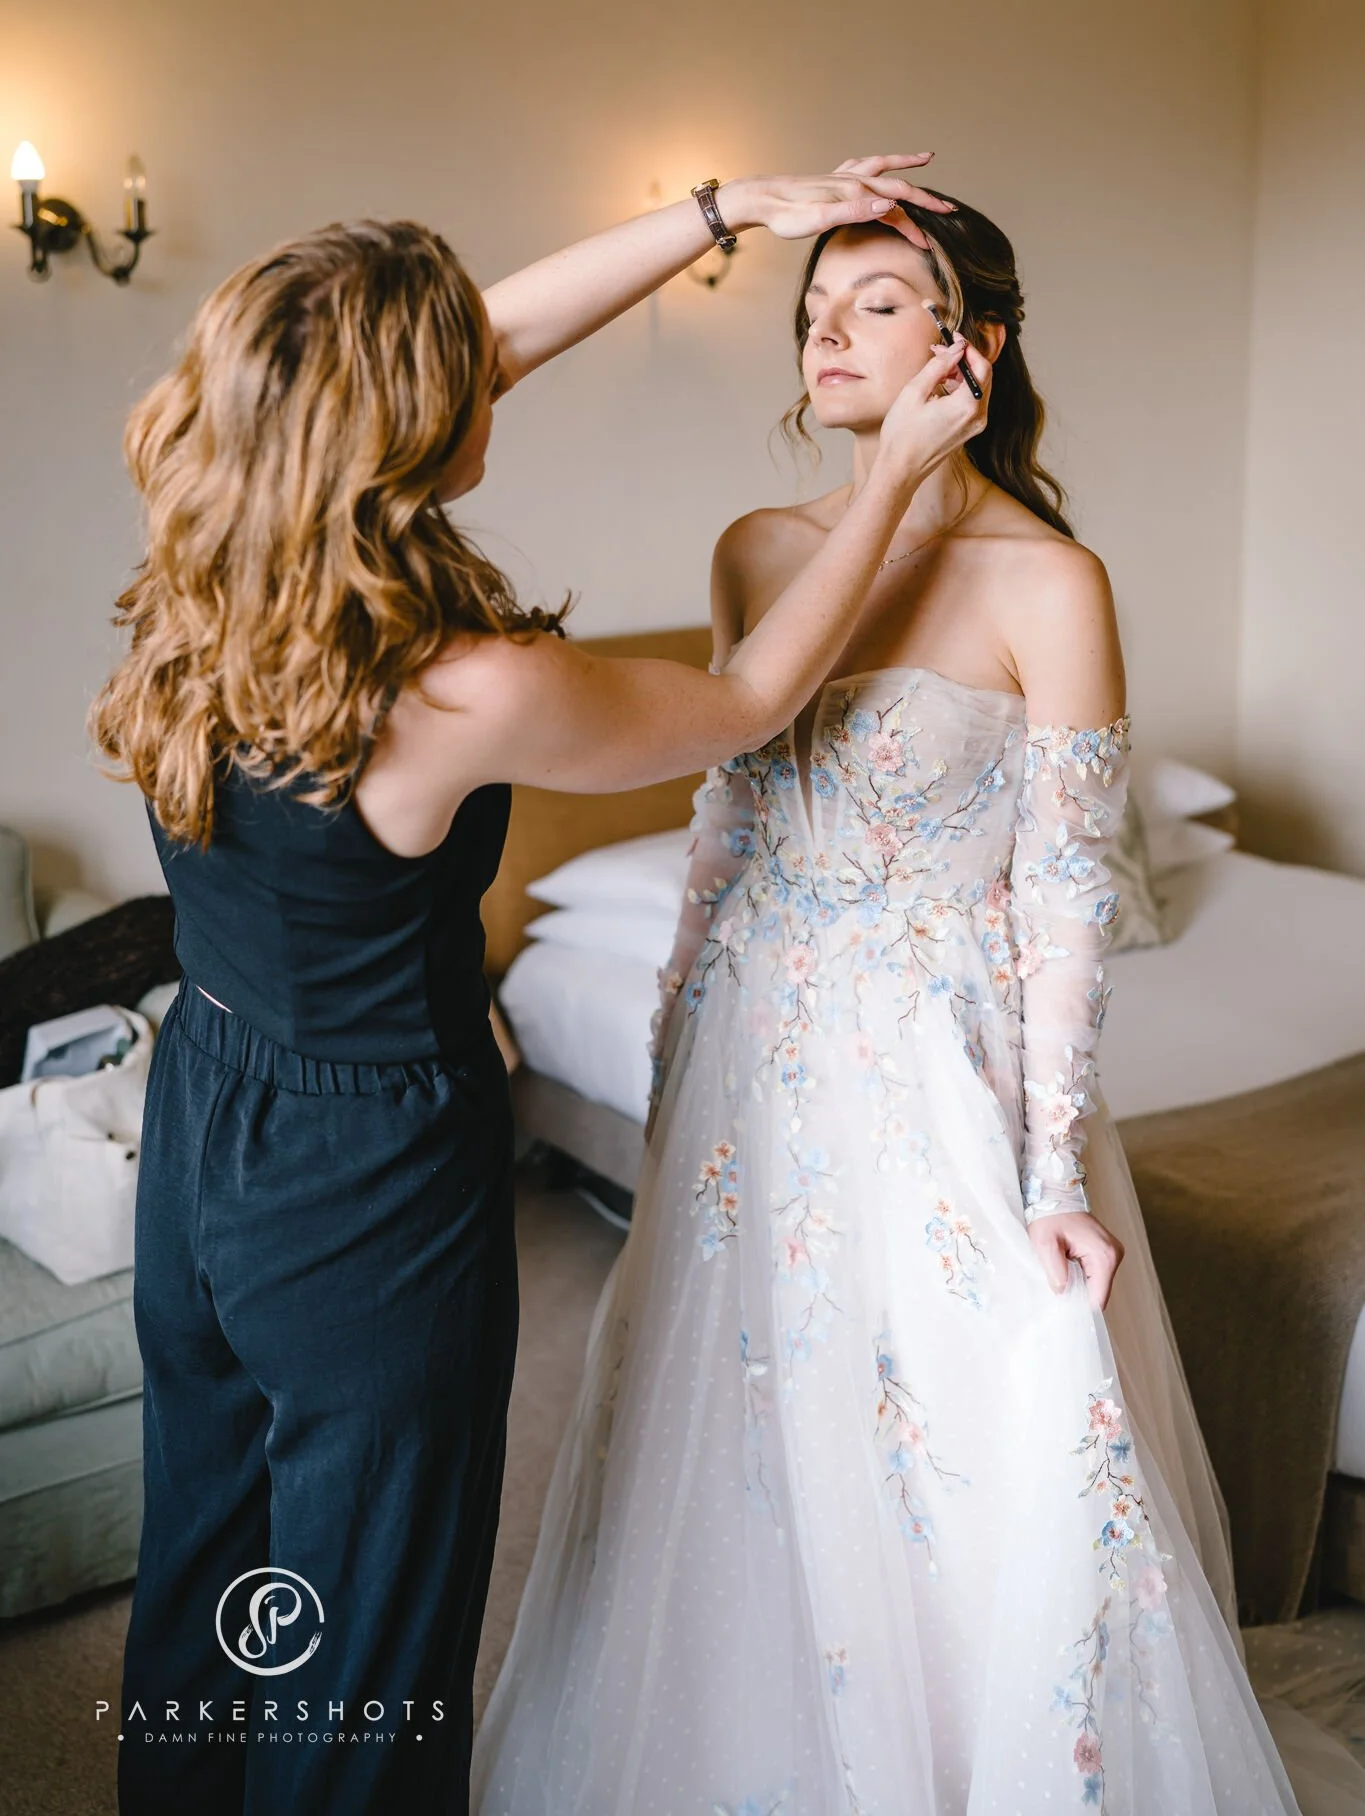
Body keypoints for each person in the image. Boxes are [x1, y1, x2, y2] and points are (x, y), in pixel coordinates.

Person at [94, 156, 987, 1816]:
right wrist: (897, 485)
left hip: (204, 1113)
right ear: (412, 424)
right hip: (365, 1177)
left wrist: (724, 211)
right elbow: (748, 702)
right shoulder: (461, 688)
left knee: (211, 1563)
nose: (501, 372)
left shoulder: (203, 490)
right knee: (366, 1640)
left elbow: (469, 340)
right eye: (464, 375)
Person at [471, 183, 1360, 1812]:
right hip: (757, 1050)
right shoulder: (758, 549)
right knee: (747, 1433)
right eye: (814, 299)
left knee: (973, 1439)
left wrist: (1041, 1171)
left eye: (873, 299)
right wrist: (677, 1036)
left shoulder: (1053, 584)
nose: (821, 324)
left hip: (944, 1065)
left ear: (973, 345)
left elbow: (1066, 899)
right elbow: (727, 811)